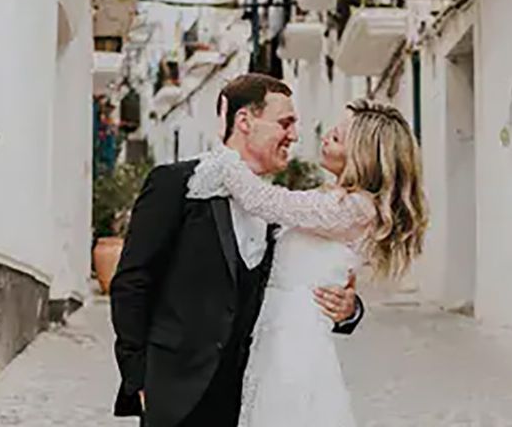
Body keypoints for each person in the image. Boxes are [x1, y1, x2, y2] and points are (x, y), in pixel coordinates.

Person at [110, 74, 364, 427]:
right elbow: (132, 282)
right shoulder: (175, 183)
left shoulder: (284, 208)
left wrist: (350, 309)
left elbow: (307, 279)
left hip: (251, 396)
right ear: (245, 121)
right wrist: (137, 377)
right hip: (178, 391)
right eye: (285, 123)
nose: (293, 135)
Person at [187, 97, 427, 427]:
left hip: (294, 341)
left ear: (363, 156)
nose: (326, 136)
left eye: (339, 137)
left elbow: (267, 201)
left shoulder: (354, 209)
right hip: (269, 331)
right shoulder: (331, 199)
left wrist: (226, 161)